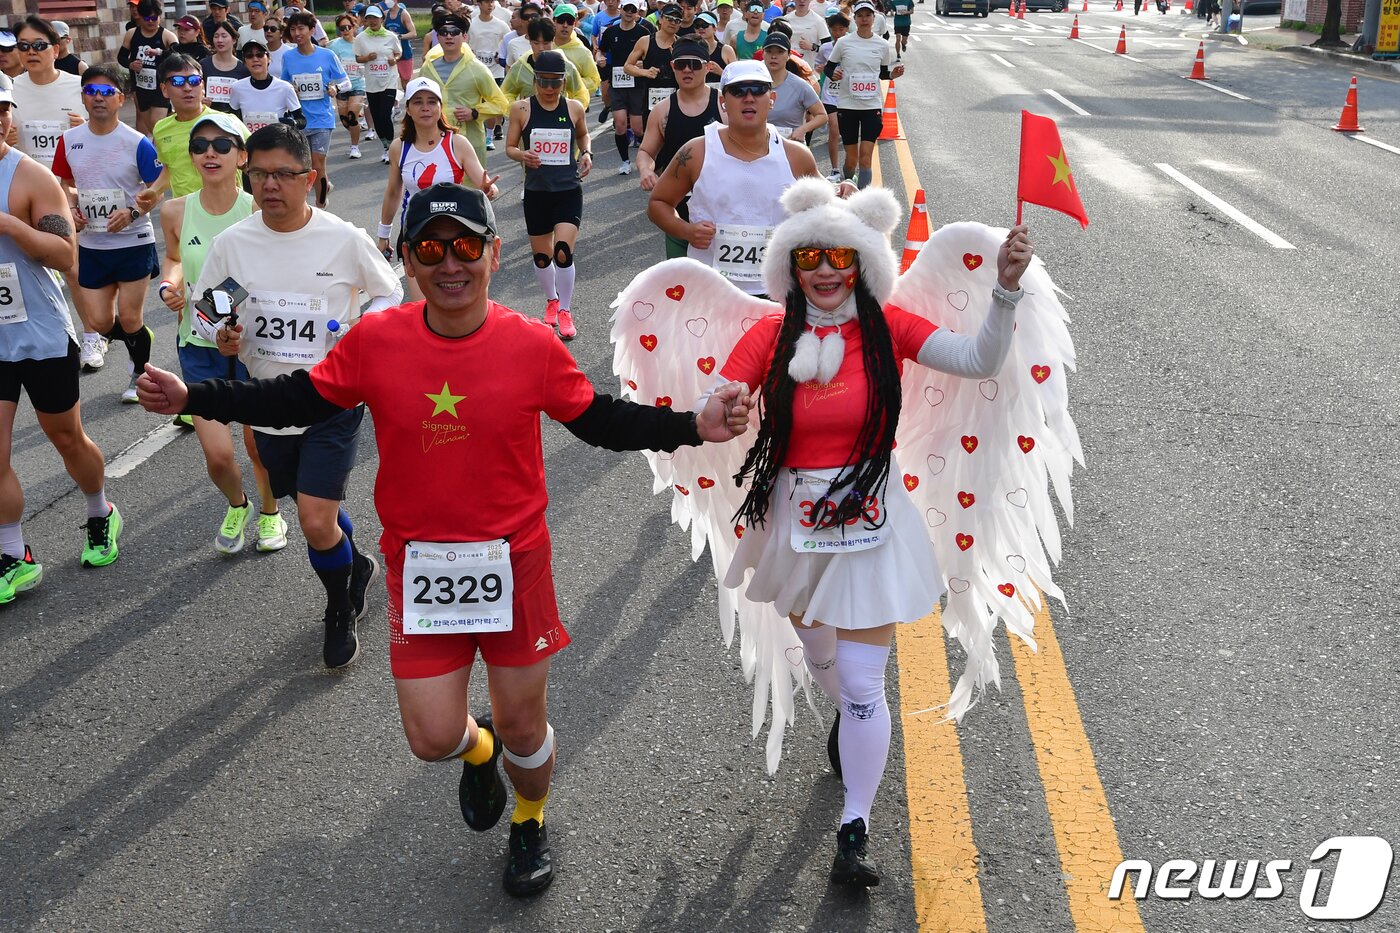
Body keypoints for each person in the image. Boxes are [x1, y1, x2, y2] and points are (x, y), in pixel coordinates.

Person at [136, 180, 753, 897]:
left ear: (494, 252)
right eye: (432, 248)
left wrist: (690, 424)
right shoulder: (375, 341)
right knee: (433, 736)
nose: (450, 262)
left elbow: (602, 420)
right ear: (407, 259)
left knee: (527, 727)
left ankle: (529, 817)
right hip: (419, 564)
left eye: (466, 245)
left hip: (513, 562)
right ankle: (477, 748)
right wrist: (195, 395)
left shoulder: (530, 345)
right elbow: (295, 398)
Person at [698, 184, 1034, 888]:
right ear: (792, 264)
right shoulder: (771, 332)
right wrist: (724, 406)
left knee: (859, 680)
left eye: (841, 258)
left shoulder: (888, 326)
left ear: (862, 265)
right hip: (793, 519)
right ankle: (848, 714)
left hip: (872, 519)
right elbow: (718, 396)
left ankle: (855, 824)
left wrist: (1003, 293)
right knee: (821, 652)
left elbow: (978, 359)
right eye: (812, 256)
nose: (826, 271)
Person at [188, 123, 402, 666]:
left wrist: (360, 333)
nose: (270, 185)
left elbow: (388, 293)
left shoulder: (343, 239)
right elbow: (212, 310)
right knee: (304, 500)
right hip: (266, 399)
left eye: (283, 173)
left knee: (312, 519)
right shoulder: (234, 246)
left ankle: (338, 606)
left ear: (309, 178)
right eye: (259, 173)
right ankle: (355, 562)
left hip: (333, 397)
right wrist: (224, 332)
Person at [0, 85, 123, 606]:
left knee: (67, 439)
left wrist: (8, 224)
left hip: (41, 334)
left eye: (1, 108)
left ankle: (100, 510)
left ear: (8, 115)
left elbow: (63, 253)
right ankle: (13, 554)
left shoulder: (29, 176)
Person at [156, 111, 284, 555]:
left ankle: (270, 514)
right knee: (218, 455)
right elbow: (174, 258)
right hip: (199, 344)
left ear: (242, 157)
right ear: (191, 158)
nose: (210, 152)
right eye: (200, 146)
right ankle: (239, 504)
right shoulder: (175, 210)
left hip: (254, 345)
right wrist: (171, 284)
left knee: (257, 443)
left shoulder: (257, 208)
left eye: (222, 145)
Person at [648, 60, 842, 297]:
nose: (749, 98)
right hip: (711, 288)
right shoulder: (696, 152)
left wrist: (844, 191)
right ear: (723, 101)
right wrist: (686, 230)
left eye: (758, 89)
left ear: (771, 99)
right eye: (738, 91)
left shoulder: (796, 156)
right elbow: (658, 203)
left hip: (779, 291)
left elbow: (829, 204)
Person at [52, 65, 162, 405]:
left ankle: (140, 371)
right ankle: (137, 337)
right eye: (91, 92)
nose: (98, 99)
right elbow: (65, 184)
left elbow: (156, 190)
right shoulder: (69, 141)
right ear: (83, 97)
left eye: (106, 92)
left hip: (133, 241)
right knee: (99, 323)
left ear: (121, 98)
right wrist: (70, 209)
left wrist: (132, 212)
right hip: (92, 245)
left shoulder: (137, 142)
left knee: (129, 316)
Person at [377, 76, 498, 300]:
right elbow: (394, 192)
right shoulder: (399, 148)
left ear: (440, 107)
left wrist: (490, 190)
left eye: (432, 101)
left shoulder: (457, 143)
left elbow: (484, 182)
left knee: (463, 302)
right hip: (416, 231)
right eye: (418, 102)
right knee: (422, 305)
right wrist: (383, 234)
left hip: (458, 230)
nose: (425, 108)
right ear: (408, 110)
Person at [505, 50, 591, 340]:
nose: (550, 89)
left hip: (567, 189)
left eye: (556, 82)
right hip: (537, 191)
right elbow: (510, 147)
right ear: (535, 81)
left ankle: (565, 310)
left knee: (563, 252)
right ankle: (551, 300)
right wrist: (522, 155)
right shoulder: (521, 109)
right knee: (543, 258)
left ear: (564, 82)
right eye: (544, 82)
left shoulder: (574, 107)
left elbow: (582, 135)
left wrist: (587, 152)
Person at [636, 37, 722, 257]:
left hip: (723, 211)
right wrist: (646, 170)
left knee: (724, 288)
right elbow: (646, 151)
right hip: (679, 214)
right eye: (680, 64)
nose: (687, 70)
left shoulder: (725, 105)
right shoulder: (662, 111)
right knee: (681, 286)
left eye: (694, 64)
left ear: (708, 67)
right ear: (672, 66)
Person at [140, 54, 250, 206]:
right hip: (186, 214)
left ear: (202, 86)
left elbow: (254, 164)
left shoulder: (229, 122)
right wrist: (155, 190)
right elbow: (170, 168)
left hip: (230, 212)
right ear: (164, 90)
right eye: (177, 82)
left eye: (194, 81)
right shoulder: (161, 129)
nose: (187, 88)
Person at [824, 0, 902, 189]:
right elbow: (829, 67)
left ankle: (862, 199)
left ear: (874, 18)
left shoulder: (882, 45)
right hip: (847, 106)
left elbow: (883, 73)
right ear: (854, 19)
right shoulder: (844, 42)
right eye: (860, 16)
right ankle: (848, 185)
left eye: (868, 15)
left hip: (871, 106)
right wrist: (833, 74)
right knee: (851, 160)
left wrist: (893, 74)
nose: (864, 19)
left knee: (865, 157)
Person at [420, 11, 512, 167]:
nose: (449, 37)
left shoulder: (477, 69)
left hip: (468, 143)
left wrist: (475, 112)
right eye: (443, 32)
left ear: (464, 37)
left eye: (455, 32)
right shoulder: (428, 69)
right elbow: (415, 103)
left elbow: (501, 104)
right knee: (435, 188)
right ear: (438, 37)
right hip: (433, 141)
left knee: (469, 189)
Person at [281, 10, 351, 207]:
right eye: (293, 29)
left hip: (322, 119)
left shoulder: (327, 55)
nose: (297, 33)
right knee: (303, 166)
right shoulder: (288, 57)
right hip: (299, 119)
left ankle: (321, 206)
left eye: (301, 28)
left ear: (312, 30)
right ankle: (320, 189)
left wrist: (335, 88)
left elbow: (346, 82)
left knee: (318, 164)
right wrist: (290, 88)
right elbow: (283, 84)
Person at [597, 0, 653, 172]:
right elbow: (601, 50)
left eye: (633, 9)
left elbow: (652, 55)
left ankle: (647, 159)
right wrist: (599, 58)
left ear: (637, 12)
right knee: (620, 124)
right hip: (618, 83)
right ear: (620, 9)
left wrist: (644, 64)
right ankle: (625, 162)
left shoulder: (643, 33)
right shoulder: (610, 32)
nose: (629, 12)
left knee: (637, 127)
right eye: (626, 8)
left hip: (637, 83)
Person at [501, 19, 590, 110]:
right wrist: (520, 110)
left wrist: (570, 112)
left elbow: (580, 93)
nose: (541, 48)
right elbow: (505, 94)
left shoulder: (566, 66)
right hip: (529, 121)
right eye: (536, 43)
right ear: (530, 42)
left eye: (546, 43)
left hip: (559, 121)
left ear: (553, 41)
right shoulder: (520, 67)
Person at [119, 0, 178, 137]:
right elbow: (121, 57)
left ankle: (164, 151)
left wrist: (158, 52)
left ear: (159, 17)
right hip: (141, 87)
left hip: (160, 88)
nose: (151, 22)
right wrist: (130, 64)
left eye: (154, 18)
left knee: (157, 124)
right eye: (147, 18)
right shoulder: (132, 34)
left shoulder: (167, 35)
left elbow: (178, 54)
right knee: (150, 127)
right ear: (139, 16)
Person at [354, 6, 403, 164]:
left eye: (376, 18)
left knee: (384, 115)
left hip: (389, 81)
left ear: (382, 19)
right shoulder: (361, 38)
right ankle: (385, 146)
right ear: (365, 20)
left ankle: (391, 149)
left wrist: (394, 60)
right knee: (376, 118)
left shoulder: (391, 36)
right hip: (372, 83)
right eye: (369, 18)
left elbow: (398, 52)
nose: (373, 21)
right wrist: (367, 57)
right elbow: (357, 58)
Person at [229, 38, 305, 134]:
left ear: (269, 59)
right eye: (249, 56)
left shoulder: (285, 88)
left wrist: (293, 123)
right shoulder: (237, 87)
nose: (255, 59)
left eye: (260, 55)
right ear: (244, 62)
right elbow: (232, 118)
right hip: (250, 144)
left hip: (277, 144)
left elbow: (302, 120)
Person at [623, 2, 682, 122]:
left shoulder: (681, 44)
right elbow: (627, 66)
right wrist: (644, 72)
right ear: (660, 19)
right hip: (650, 99)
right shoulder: (646, 41)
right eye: (669, 18)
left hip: (676, 98)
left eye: (677, 20)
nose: (672, 22)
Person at [761, 32, 823, 140]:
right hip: (759, 147)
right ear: (763, 54)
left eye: (780, 52)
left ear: (789, 55)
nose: (774, 56)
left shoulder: (800, 85)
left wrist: (802, 130)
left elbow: (822, 115)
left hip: (791, 147)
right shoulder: (753, 83)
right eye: (769, 51)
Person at [467, 0, 511, 141]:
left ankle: (489, 136)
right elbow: (465, 44)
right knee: (477, 102)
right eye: (486, 2)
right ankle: (477, 131)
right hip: (476, 69)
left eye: (492, 2)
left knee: (493, 103)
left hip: (496, 69)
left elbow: (508, 43)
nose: (490, 5)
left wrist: (501, 55)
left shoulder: (501, 25)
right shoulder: (471, 24)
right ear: (479, 3)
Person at [812, 8, 846, 181]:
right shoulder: (825, 48)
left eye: (841, 29)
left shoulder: (851, 47)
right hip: (830, 94)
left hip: (848, 96)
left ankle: (849, 168)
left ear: (847, 29)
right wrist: (820, 70)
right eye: (834, 29)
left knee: (847, 133)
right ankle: (834, 170)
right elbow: (818, 64)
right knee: (833, 130)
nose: (838, 33)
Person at [329, 14, 366, 158]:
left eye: (348, 27)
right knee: (345, 120)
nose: (345, 30)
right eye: (342, 28)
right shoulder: (334, 45)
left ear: (354, 27)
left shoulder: (361, 43)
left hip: (358, 85)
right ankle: (355, 131)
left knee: (352, 116)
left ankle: (355, 147)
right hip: (341, 86)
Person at [551, 4, 601, 100]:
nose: (565, 25)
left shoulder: (583, 52)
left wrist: (571, 82)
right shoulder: (545, 46)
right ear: (554, 22)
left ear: (574, 24)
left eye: (569, 22)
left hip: (573, 106)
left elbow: (594, 80)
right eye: (561, 20)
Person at [199, 21, 250, 114]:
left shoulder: (244, 69)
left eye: (224, 36)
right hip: (208, 118)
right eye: (216, 36)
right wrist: (201, 101)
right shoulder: (203, 65)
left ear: (234, 40)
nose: (219, 40)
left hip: (235, 121)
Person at [379, 0, 418, 86]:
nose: (386, 1)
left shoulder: (404, 14)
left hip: (404, 51)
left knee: (405, 81)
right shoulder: (385, 14)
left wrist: (399, 36)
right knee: (388, 80)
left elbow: (413, 33)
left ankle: (407, 97)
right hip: (390, 53)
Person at [691, 12, 735, 83]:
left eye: (705, 25)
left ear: (714, 28)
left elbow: (735, 77)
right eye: (697, 26)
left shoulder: (726, 50)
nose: (701, 28)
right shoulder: (691, 50)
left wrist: (720, 72)